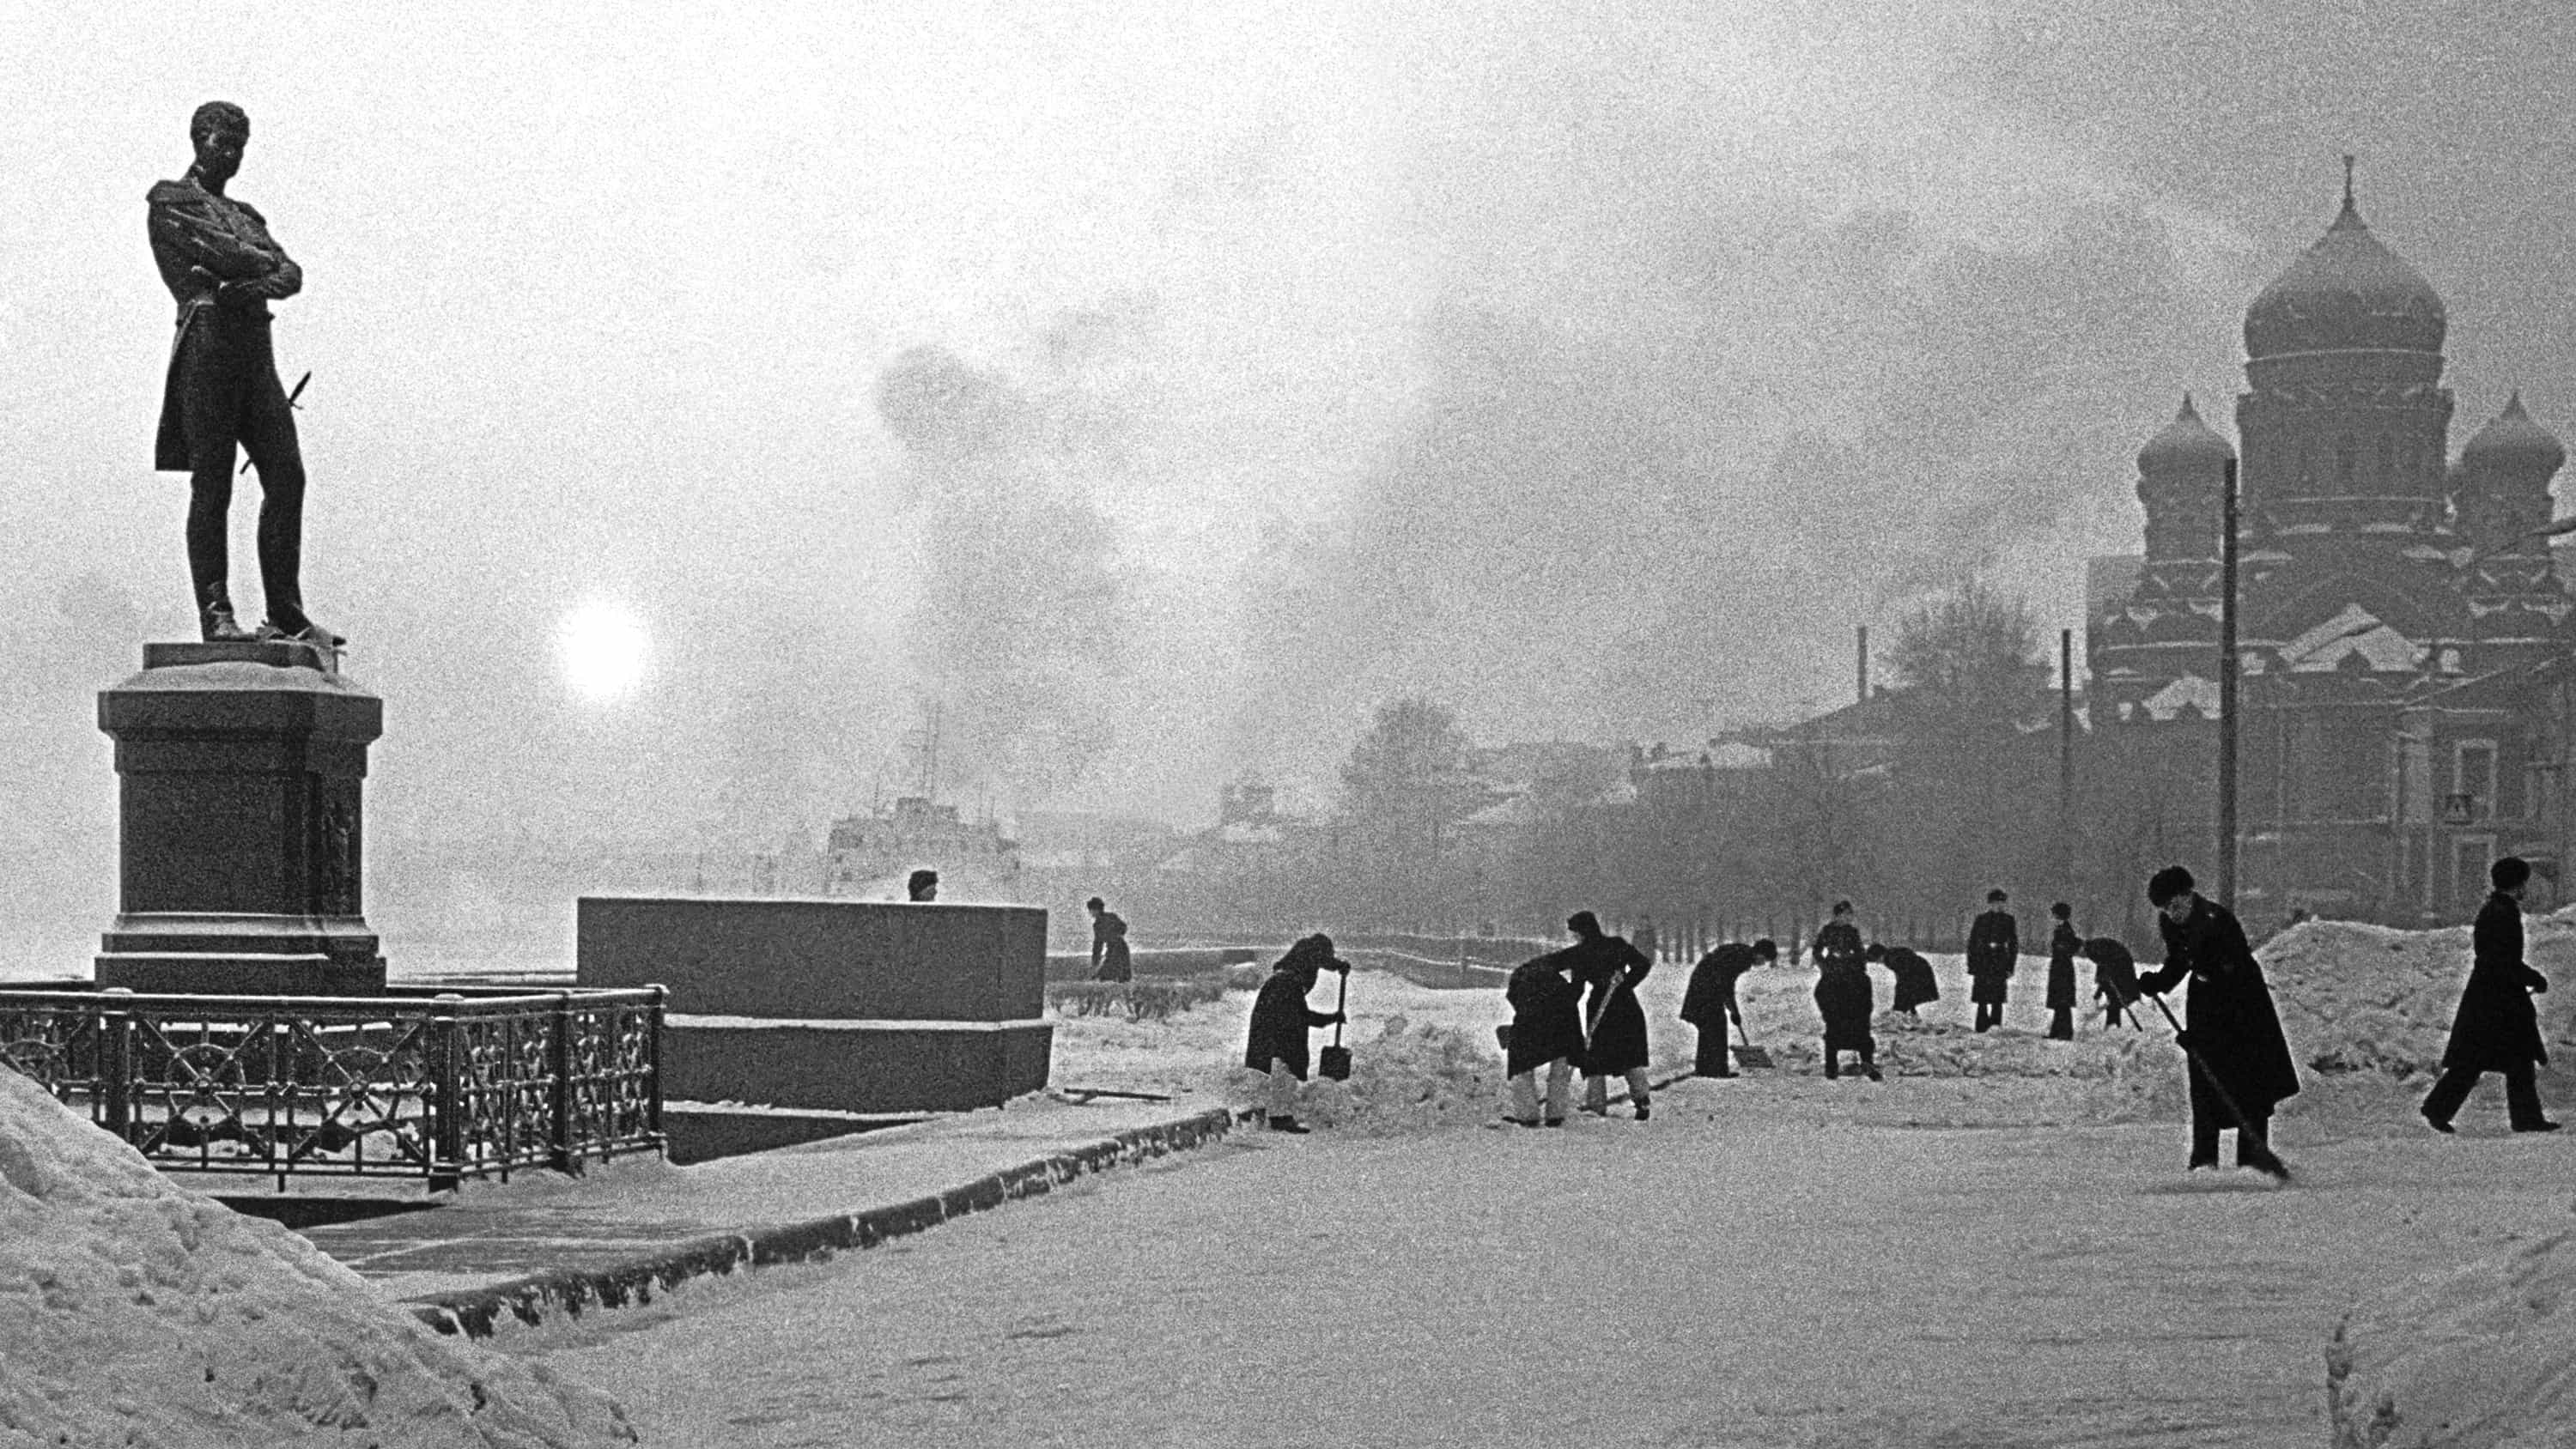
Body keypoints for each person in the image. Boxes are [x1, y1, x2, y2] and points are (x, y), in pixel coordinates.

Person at [148, 101, 339, 647]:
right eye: (222, 143)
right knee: (213, 483)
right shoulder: (170, 200)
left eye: (239, 146)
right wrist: (254, 265)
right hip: (208, 347)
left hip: (255, 352)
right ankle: (216, 613)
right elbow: (225, 254)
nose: (231, 155)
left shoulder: (248, 215)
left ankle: (285, 611)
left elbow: (291, 273)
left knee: (287, 476)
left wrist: (247, 278)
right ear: (198, 140)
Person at [2136, 865, 2301, 1173]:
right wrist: (2157, 982)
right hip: (2205, 995)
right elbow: (2180, 960)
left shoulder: (2218, 921)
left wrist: (2203, 1032)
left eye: (2175, 905)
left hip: (2243, 1001)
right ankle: (2204, 1158)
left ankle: (2252, 1158)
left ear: (2189, 895)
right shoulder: (2171, 923)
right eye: (2165, 909)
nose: (2171, 914)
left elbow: (2231, 975)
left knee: (2247, 1080)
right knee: (2204, 1077)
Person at [2420, 856, 2561, 1135]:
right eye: (2524, 883)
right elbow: (2503, 960)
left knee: (2481, 1060)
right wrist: (2534, 978)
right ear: (2516, 884)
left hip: (2488, 996)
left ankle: (2439, 1108)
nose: (2526, 888)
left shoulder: (2494, 910)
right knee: (2511, 1058)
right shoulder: (2503, 913)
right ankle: (2525, 1118)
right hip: (2498, 1000)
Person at [1242, 934, 1351, 1133]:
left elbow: (1320, 957)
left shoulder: (1290, 971)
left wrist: (1337, 965)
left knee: (1270, 1066)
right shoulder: (1289, 983)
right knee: (1285, 1066)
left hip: (1270, 1028)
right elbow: (1302, 1016)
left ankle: (1259, 1111)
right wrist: (1331, 1018)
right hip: (1280, 1032)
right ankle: (1280, 1118)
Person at [1565, 912, 1656, 1119]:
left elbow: (1577, 988)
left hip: (1605, 1006)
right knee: (1629, 1055)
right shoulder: (1616, 944)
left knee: (1596, 1058)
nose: (1575, 938)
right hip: (1624, 1004)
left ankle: (1597, 1105)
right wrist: (1626, 983)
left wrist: (1566, 1003)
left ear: (1583, 932)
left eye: (1576, 933)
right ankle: (1642, 1099)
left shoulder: (1582, 954)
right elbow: (1642, 964)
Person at [1504, 945, 1585, 1127]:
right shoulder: (1558, 982)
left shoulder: (1520, 975)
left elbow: (1512, 997)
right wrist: (1580, 977)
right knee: (1559, 1067)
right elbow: (1574, 995)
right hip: (1560, 1028)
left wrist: (1525, 1012)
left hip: (1528, 1026)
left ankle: (1528, 1115)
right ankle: (1556, 1114)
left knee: (1521, 1067)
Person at [1680, 938, 1775, 1076]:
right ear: (1759, 954)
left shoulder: (1741, 953)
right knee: (1715, 1027)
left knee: (1710, 1028)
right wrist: (1734, 1011)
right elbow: (1726, 985)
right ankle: (1715, 1070)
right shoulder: (1741, 958)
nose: (1763, 964)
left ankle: (1707, 1069)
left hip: (1704, 989)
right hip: (1705, 991)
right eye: (1764, 960)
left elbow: (1724, 982)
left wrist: (1733, 1010)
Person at [1812, 901, 1880, 1081]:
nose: (1849, 918)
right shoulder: (1827, 931)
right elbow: (1817, 950)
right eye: (1846, 914)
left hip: (1852, 972)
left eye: (1850, 914)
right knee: (1834, 1023)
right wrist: (1825, 966)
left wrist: (1857, 964)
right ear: (1837, 915)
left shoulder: (1852, 932)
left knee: (1859, 1022)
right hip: (1833, 972)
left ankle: (1867, 1062)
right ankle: (1831, 1067)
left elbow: (1859, 952)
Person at [1966, 889, 2020, 1032]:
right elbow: (1972, 942)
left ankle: (1995, 1027)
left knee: (1998, 998)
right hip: (1983, 960)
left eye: (2002, 903)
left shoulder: (2008, 920)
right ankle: (1981, 1027)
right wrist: (1971, 964)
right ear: (1990, 904)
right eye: (1996, 903)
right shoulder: (1981, 919)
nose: (1999, 906)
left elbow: (2013, 945)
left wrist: (2011, 966)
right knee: (1982, 998)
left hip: (2000, 961)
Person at [1869, 942, 1940, 1016]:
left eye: (1876, 960)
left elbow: (1903, 982)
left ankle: (1905, 1013)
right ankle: (1910, 1013)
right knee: (1910, 995)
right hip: (1923, 970)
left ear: (1880, 955)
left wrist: (1897, 1007)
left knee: (1907, 993)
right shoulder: (1893, 954)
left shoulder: (1890, 959)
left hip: (1918, 973)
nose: (1878, 963)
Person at [2045, 902, 2081, 1040]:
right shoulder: (2062, 929)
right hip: (2061, 968)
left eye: (2055, 915)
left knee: (2062, 1002)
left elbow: (2069, 948)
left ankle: (2065, 1032)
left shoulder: (2065, 931)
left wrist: (2061, 949)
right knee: (2060, 1001)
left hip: (2063, 969)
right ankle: (2057, 1031)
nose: (2053, 918)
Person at [1085, 896, 1133, 983]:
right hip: (1121, 947)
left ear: (1096, 910)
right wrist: (1117, 935)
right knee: (1122, 976)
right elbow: (1123, 927)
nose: (1090, 913)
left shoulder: (1097, 924)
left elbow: (1098, 945)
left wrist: (1095, 962)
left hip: (1115, 949)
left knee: (1105, 977)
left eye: (1091, 910)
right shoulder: (1111, 916)